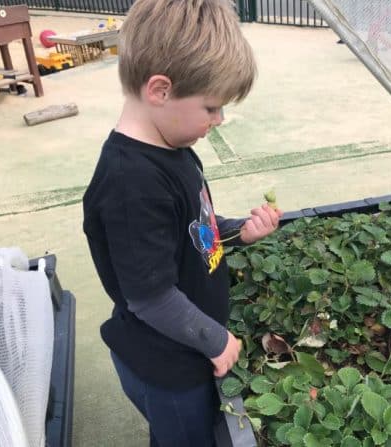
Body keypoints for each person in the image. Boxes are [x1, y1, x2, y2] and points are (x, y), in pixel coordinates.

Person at [82, 1, 282, 445]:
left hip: (186, 347)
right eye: (211, 108)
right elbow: (152, 300)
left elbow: (192, 230)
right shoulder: (129, 186)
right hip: (168, 367)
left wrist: (238, 232)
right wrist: (214, 339)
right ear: (160, 90)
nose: (219, 121)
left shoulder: (171, 146)